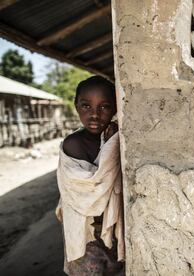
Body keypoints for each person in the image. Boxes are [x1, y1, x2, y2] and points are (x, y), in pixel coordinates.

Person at [55, 76, 125, 275]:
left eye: (104, 107)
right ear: (76, 106)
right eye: (86, 106)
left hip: (111, 232)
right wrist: (110, 148)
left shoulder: (117, 138)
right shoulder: (73, 144)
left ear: (115, 109)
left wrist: (111, 143)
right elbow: (91, 193)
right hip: (87, 235)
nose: (94, 115)